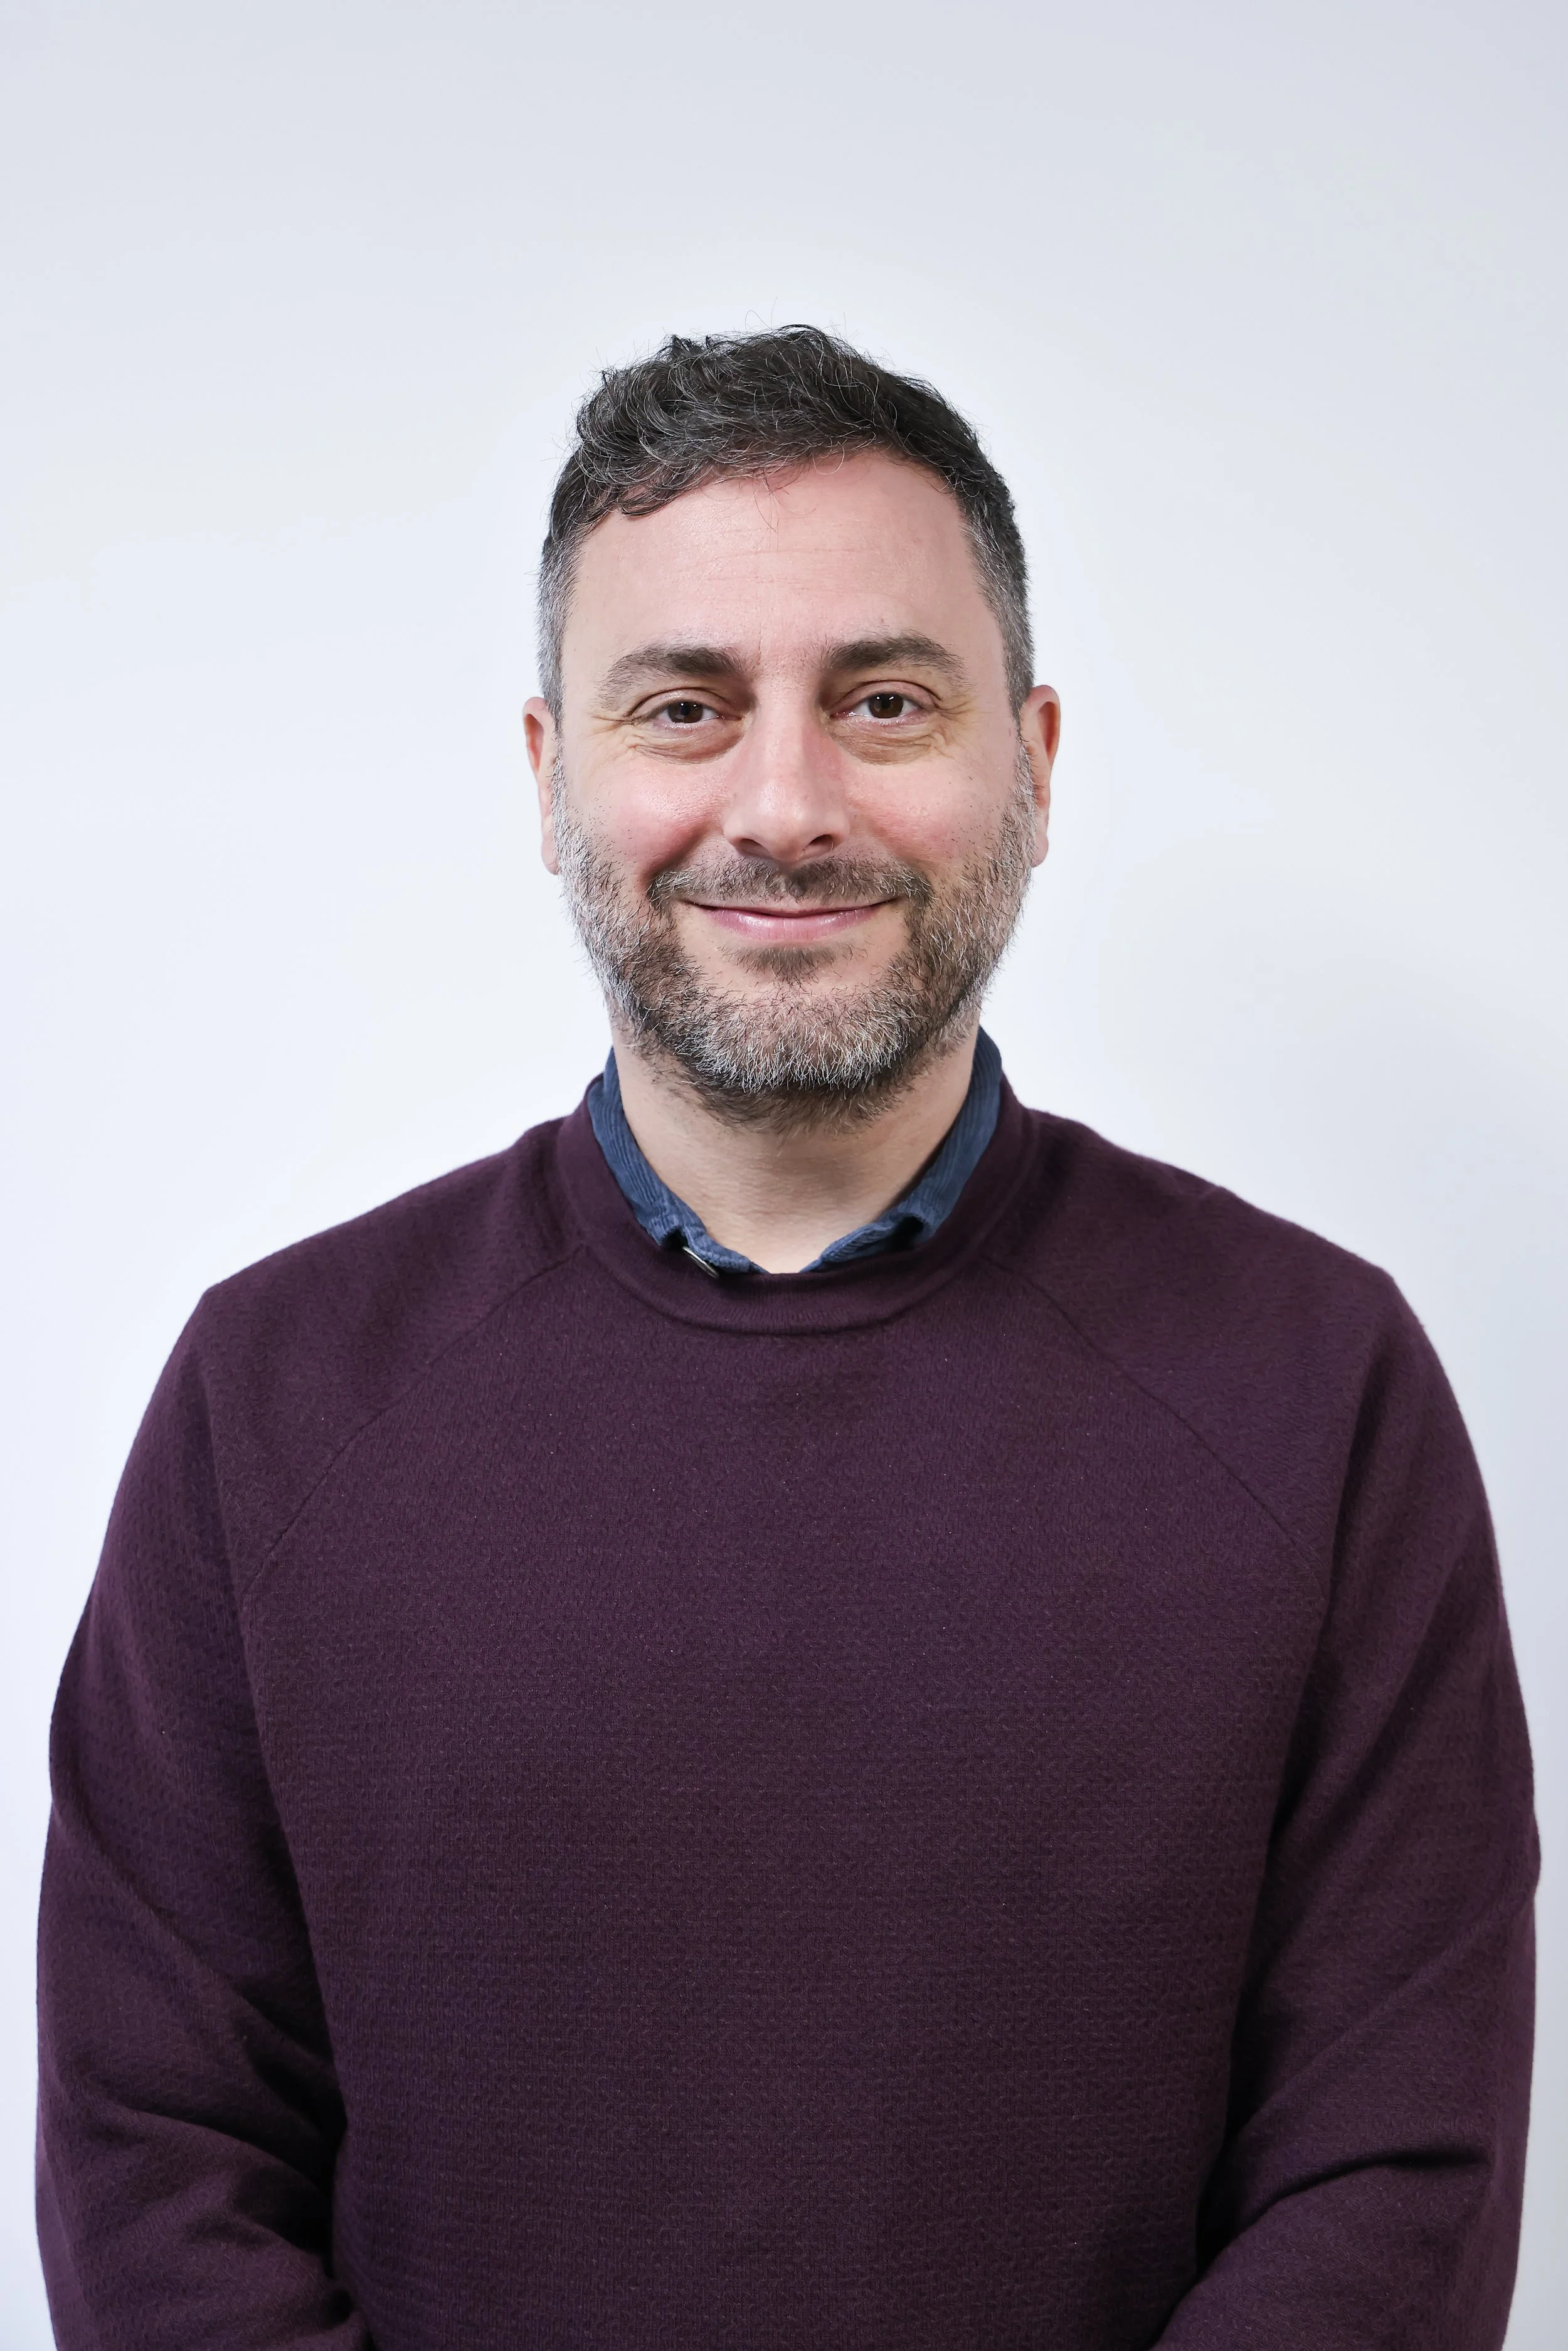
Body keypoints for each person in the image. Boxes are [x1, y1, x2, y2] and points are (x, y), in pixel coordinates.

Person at [37, 327, 1536, 2350]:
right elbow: (156, 2162)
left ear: (1033, 756)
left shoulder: (1315, 1383)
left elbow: (1391, 2177)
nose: (784, 802)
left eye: (885, 699)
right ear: (550, 770)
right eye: (684, 705)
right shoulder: (271, 1398)